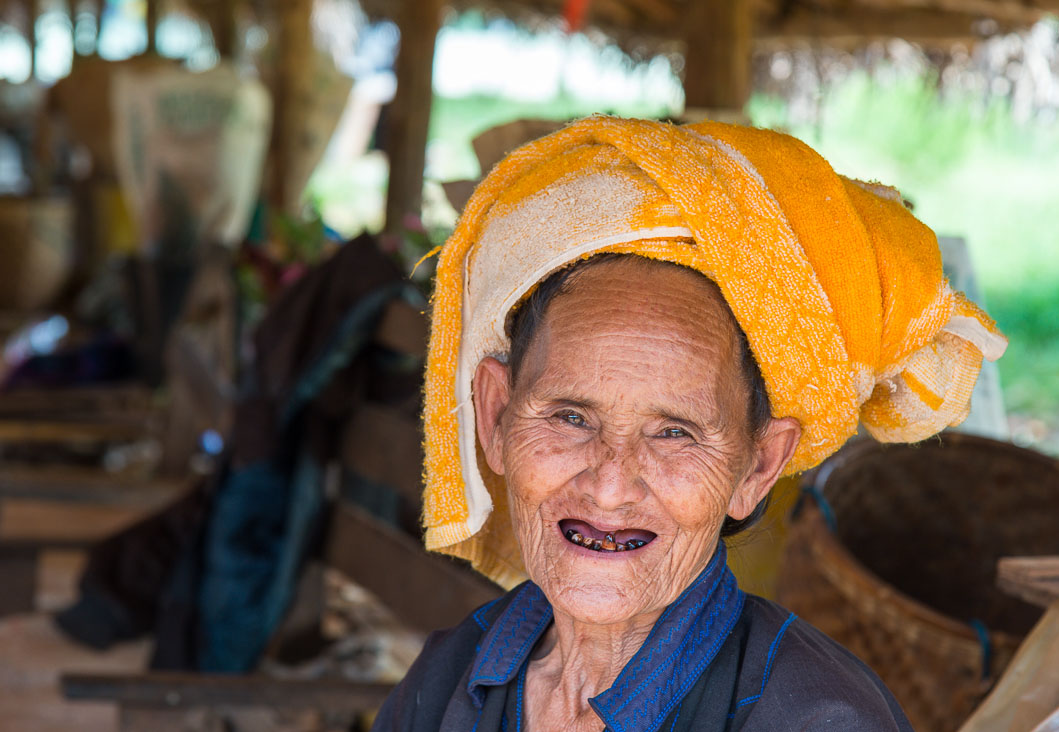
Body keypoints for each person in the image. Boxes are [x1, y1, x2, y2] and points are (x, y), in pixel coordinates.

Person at [372, 117, 1007, 730]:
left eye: (674, 433)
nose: (611, 485)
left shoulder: (818, 720)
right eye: (571, 417)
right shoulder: (445, 684)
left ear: (757, 467)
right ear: (494, 416)